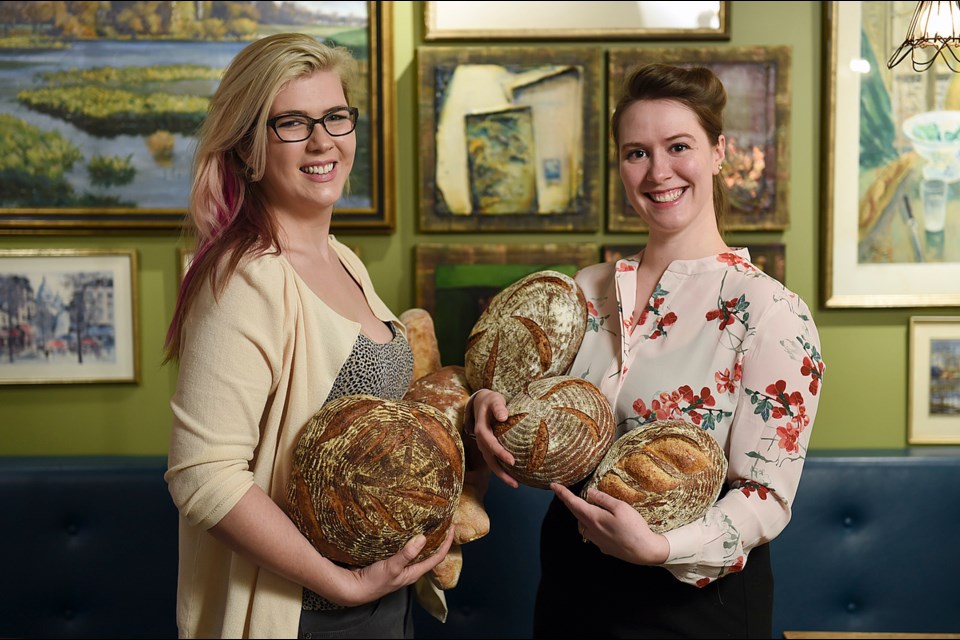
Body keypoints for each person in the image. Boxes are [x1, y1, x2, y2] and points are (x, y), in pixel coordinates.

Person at [467, 63, 825, 638]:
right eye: (637, 152)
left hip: (693, 604)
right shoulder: (583, 291)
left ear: (718, 152)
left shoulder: (771, 312)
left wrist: (661, 547)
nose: (659, 172)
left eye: (678, 146)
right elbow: (525, 402)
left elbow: (766, 497)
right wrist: (487, 401)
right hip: (569, 587)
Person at [163, 33, 453, 639]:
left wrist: (472, 417)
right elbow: (204, 475)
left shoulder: (343, 259)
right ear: (247, 149)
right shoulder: (244, 279)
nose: (323, 141)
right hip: (304, 616)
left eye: (335, 117)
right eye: (291, 123)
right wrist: (342, 582)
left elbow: (383, 419)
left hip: (382, 602)